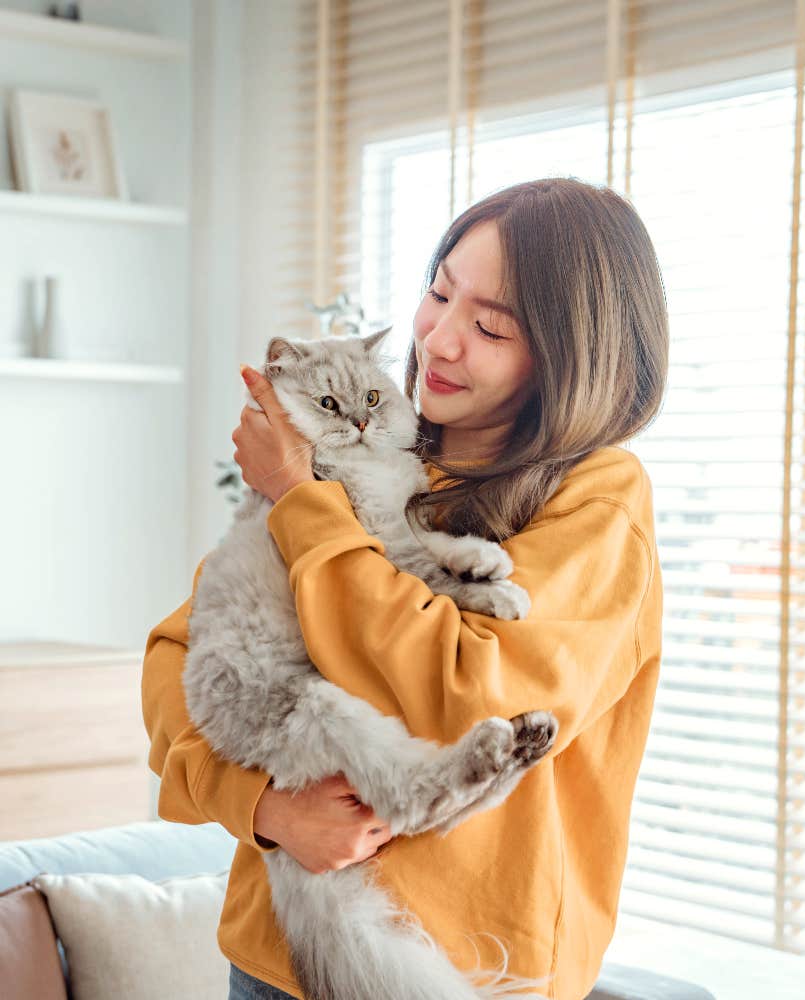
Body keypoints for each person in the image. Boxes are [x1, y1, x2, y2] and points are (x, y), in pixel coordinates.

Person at [141, 176, 669, 1000]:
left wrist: (303, 499)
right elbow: (178, 663)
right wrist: (264, 809)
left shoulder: (599, 499)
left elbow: (467, 694)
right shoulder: (371, 452)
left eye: (490, 325)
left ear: (570, 354)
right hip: (278, 962)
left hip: (471, 968)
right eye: (439, 293)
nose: (441, 340)